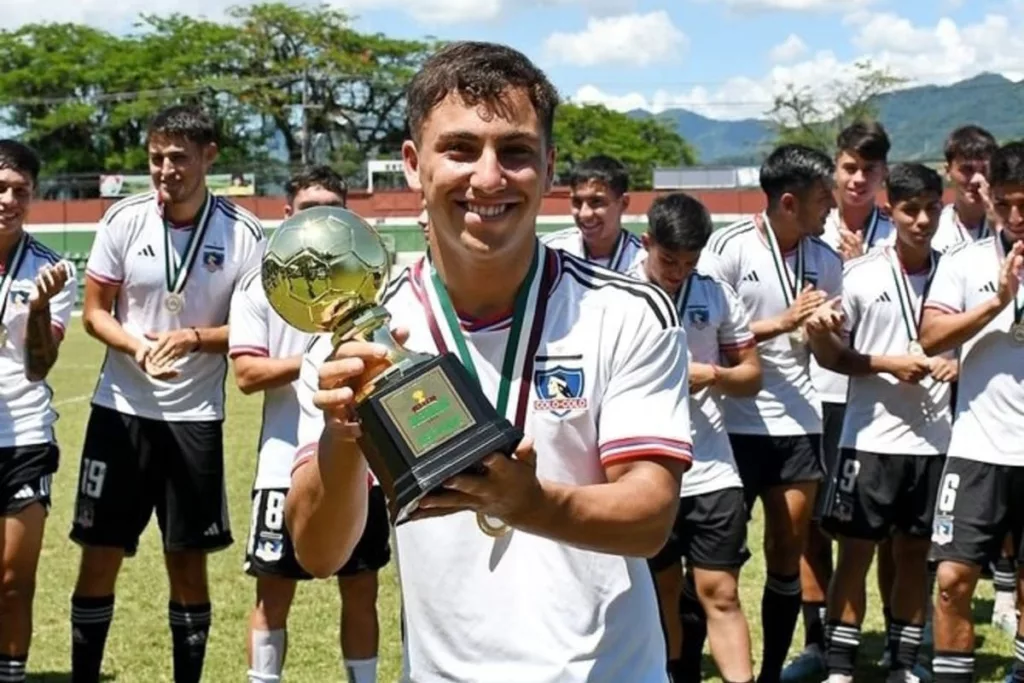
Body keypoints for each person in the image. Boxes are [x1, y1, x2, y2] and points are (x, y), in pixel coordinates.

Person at [284, 41, 693, 683]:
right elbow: (318, 551)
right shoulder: (355, 338)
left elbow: (651, 518)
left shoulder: (628, 311)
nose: (489, 176)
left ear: (550, 166)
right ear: (415, 165)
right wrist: (342, 438)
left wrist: (530, 504)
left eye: (517, 151)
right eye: (461, 149)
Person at [68, 104, 265, 683]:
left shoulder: (243, 232)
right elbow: (94, 312)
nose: (166, 169)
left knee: (187, 563)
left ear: (209, 157)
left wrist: (195, 338)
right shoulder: (123, 219)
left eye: (179, 157)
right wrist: (135, 347)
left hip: (195, 419)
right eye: (156, 158)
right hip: (119, 412)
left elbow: (253, 329)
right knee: (99, 555)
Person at [230, 166, 388, 683]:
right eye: (308, 209)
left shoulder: (368, 281)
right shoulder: (259, 286)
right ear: (288, 216)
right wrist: (322, 365)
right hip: (283, 465)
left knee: (361, 588)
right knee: (274, 591)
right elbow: (248, 372)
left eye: (332, 209)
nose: (319, 220)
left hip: (359, 467)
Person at [806, 163, 955, 683]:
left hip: (936, 441)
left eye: (932, 209)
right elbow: (831, 357)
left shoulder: (954, 272)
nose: (922, 221)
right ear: (890, 208)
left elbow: (970, 350)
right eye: (911, 210)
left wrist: (953, 366)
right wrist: (831, 337)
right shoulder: (863, 274)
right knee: (856, 553)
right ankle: (841, 667)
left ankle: (903, 664)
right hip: (868, 440)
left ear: (944, 207)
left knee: (914, 554)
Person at [699, 143, 842, 683]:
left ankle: (772, 675)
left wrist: (824, 333)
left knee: (787, 550)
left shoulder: (825, 259)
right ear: (789, 202)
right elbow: (706, 335)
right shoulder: (728, 249)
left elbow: (827, 356)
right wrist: (781, 323)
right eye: (823, 199)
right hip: (730, 422)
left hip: (799, 422)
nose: (830, 208)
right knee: (720, 563)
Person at [628, 192, 761, 683]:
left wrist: (712, 375)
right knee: (660, 594)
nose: (679, 271)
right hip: (646, 469)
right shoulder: (618, 296)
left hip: (712, 468)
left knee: (720, 593)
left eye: (689, 261)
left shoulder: (717, 295)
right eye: (669, 260)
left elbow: (752, 375)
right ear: (647, 243)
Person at [789, 120, 895, 681]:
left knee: (882, 526)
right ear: (836, 166)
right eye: (850, 167)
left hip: (879, 400)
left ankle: (895, 635)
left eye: (869, 170)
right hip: (817, 391)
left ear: (883, 175)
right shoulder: (811, 224)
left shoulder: (899, 227)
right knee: (813, 522)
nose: (857, 179)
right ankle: (815, 640)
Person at [920, 140, 1024, 683]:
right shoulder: (964, 262)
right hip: (978, 448)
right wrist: (995, 303)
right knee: (953, 580)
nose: (1015, 217)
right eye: (1004, 204)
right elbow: (930, 334)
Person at [0, 140, 77, 683]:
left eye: (19, 191)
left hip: (24, 436)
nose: (7, 199)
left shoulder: (52, 270)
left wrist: (39, 309)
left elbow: (39, 367)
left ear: (34, 196)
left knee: (12, 579)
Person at [541, 154, 643, 272]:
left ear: (623, 203)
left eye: (596, 202)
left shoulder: (643, 260)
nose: (584, 214)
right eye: (577, 202)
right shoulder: (549, 252)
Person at [931, 125, 998, 254]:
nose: (977, 179)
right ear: (948, 171)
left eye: (985, 170)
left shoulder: (1013, 226)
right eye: (967, 170)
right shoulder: (935, 229)